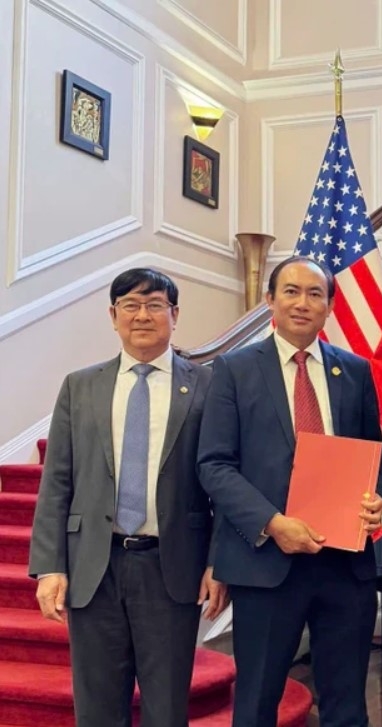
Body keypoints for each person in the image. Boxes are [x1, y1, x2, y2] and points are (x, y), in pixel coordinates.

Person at [28, 268, 227, 727]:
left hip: (173, 567)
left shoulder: (208, 386)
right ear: (113, 316)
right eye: (131, 306)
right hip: (94, 567)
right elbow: (57, 479)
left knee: (166, 706)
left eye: (155, 305)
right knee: (96, 707)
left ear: (174, 315)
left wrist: (219, 563)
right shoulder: (81, 386)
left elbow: (221, 481)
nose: (143, 316)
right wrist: (50, 566)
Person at [197, 256, 382, 727]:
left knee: (346, 704)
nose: (303, 303)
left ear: (329, 308)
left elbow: (372, 454)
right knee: (257, 702)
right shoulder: (233, 370)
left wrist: (375, 498)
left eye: (315, 294)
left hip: (345, 564)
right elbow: (215, 465)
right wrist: (273, 523)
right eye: (291, 292)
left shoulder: (355, 372)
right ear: (270, 302)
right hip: (267, 564)